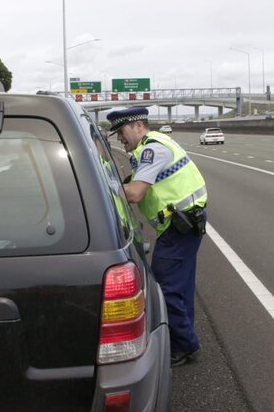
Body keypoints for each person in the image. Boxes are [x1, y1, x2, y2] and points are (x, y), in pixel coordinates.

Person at [107, 107, 208, 367]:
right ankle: (184, 341)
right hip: (182, 225)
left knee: (167, 286)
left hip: (179, 227)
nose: (120, 138)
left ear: (138, 126)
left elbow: (135, 194)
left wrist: (101, 187)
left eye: (121, 131)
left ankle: (184, 345)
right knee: (181, 286)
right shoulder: (152, 147)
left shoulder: (153, 149)